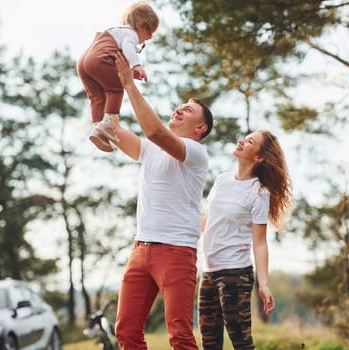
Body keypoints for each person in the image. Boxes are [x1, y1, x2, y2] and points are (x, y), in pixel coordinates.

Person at [111, 51, 214, 349]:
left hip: (176, 251)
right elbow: (112, 129)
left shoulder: (195, 153)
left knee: (180, 337)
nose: (181, 108)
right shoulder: (149, 149)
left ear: (200, 128)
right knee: (126, 332)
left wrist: (130, 85)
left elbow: (154, 130)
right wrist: (106, 86)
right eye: (182, 105)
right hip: (140, 248)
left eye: (190, 110)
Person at [198, 130, 292, 349]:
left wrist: (264, 284)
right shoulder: (222, 181)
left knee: (241, 342)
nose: (241, 141)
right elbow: (209, 223)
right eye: (244, 137)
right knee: (209, 343)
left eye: (250, 141)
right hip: (209, 272)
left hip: (235, 274)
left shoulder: (259, 192)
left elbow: (259, 242)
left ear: (259, 157)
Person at [76, 2, 159, 153]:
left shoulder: (114, 31)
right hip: (98, 60)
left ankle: (98, 128)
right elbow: (128, 47)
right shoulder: (130, 33)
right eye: (149, 32)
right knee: (116, 89)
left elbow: (109, 55)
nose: (149, 37)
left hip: (84, 62)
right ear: (141, 25)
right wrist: (136, 65)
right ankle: (108, 124)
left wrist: (130, 72)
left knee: (96, 97)